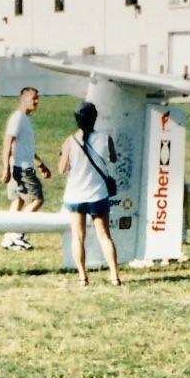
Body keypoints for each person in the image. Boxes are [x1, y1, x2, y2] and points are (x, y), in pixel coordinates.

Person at [57, 101, 121, 287]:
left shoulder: (70, 141)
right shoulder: (105, 138)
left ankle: (83, 277)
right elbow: (113, 158)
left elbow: (62, 169)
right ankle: (114, 275)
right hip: (98, 194)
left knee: (78, 236)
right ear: (95, 118)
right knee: (104, 236)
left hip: (76, 195)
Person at [0, 86, 50, 250]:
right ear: (23, 99)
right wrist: (6, 167)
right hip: (22, 169)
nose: (36, 102)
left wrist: (41, 164)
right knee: (37, 199)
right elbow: (8, 142)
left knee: (18, 200)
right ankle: (16, 234)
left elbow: (26, 148)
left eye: (37, 98)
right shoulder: (18, 118)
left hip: (21, 166)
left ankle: (8, 237)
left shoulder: (24, 119)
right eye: (33, 98)